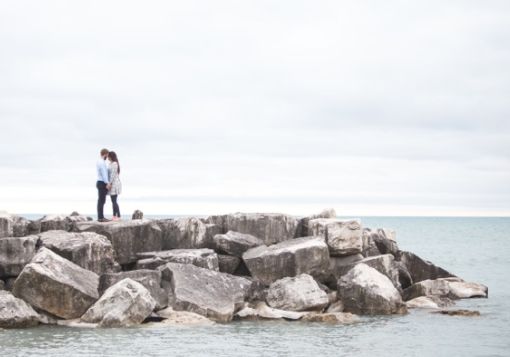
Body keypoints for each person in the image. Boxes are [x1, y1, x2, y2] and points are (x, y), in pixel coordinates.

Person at [107, 151, 122, 220]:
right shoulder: (110, 164)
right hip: (112, 183)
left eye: (108, 156)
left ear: (111, 156)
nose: (107, 157)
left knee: (114, 201)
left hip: (115, 184)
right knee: (114, 200)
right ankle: (118, 216)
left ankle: (115, 216)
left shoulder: (115, 164)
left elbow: (113, 175)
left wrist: (110, 183)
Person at [96, 148, 110, 222]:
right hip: (102, 182)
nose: (107, 157)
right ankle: (100, 218)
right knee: (101, 201)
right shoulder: (101, 162)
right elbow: (104, 174)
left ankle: (101, 217)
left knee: (101, 201)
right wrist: (107, 183)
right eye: (107, 155)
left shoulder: (99, 161)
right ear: (105, 154)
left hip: (100, 182)